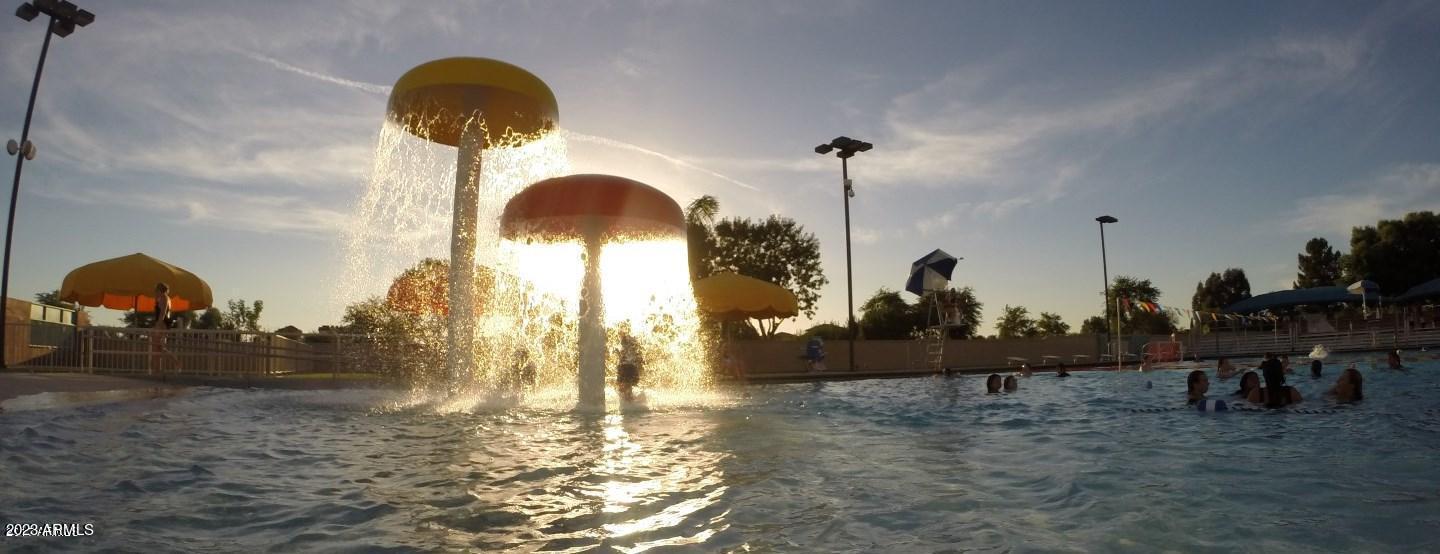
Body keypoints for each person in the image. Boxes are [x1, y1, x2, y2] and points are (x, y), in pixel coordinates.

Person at [150, 282, 181, 374]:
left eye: (156, 290)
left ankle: (174, 363)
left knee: (157, 347)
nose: (155, 292)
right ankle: (158, 369)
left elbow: (163, 312)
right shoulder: (163, 298)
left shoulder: (164, 297)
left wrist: (158, 325)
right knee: (159, 348)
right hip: (162, 324)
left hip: (161, 324)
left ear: (159, 290)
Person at [616, 332, 643, 402]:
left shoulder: (625, 350)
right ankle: (631, 400)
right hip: (629, 368)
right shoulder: (631, 350)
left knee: (624, 389)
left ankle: (629, 400)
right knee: (626, 389)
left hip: (626, 368)